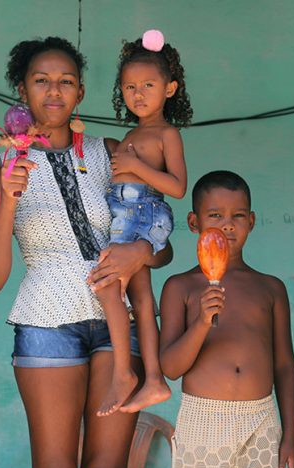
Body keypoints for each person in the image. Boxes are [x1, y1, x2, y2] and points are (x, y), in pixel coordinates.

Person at [0, 37, 172, 468]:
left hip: (118, 323)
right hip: (47, 324)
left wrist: (138, 252)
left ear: (80, 92)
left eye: (65, 82)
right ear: (22, 91)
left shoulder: (111, 152)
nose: (54, 91)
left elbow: (159, 244)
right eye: (41, 81)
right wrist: (9, 201)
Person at [159, 171, 294, 468]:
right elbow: (171, 368)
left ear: (251, 221)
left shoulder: (270, 288)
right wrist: (203, 322)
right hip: (203, 423)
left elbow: (284, 366)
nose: (228, 225)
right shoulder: (181, 287)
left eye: (238, 216)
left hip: (262, 422)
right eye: (215, 216)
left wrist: (289, 436)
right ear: (194, 222)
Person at [94, 29, 192, 416]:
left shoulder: (167, 134)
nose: (138, 93)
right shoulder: (133, 132)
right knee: (139, 299)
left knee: (106, 288)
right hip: (123, 215)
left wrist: (134, 165)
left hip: (143, 214)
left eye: (148, 85)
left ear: (170, 89)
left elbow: (179, 187)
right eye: (130, 86)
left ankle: (123, 374)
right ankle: (153, 379)